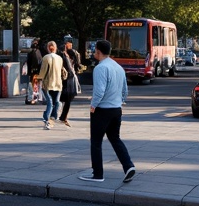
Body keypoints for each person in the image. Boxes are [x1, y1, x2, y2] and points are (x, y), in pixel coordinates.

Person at [78, 40, 136, 183]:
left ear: (98, 51)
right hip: (116, 109)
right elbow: (125, 90)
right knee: (115, 138)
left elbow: (99, 91)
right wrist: (119, 101)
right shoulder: (118, 67)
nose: (93, 53)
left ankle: (98, 174)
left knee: (96, 142)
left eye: (95, 51)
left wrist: (93, 105)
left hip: (102, 110)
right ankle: (128, 166)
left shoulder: (100, 68)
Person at [39, 40, 67, 130]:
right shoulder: (60, 58)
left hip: (48, 83)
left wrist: (40, 79)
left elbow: (43, 71)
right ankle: (53, 117)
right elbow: (63, 71)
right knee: (56, 101)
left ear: (48, 48)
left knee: (49, 102)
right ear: (56, 48)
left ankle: (46, 118)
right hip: (58, 83)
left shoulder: (46, 58)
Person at [58, 39, 80, 127]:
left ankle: (62, 116)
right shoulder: (66, 55)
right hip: (68, 78)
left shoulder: (68, 54)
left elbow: (74, 65)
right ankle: (62, 116)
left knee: (65, 98)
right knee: (65, 99)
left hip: (68, 78)